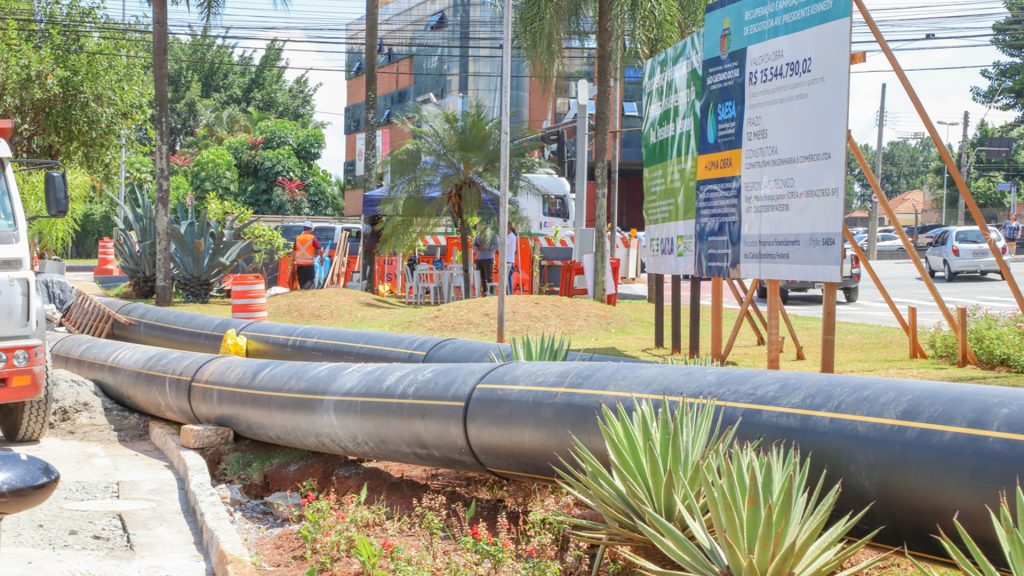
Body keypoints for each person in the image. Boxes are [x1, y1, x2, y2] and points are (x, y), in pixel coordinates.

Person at [293, 222, 324, 290]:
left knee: (301, 279)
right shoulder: (312, 238)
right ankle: (308, 294)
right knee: (310, 279)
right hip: (308, 264)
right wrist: (322, 259)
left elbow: (294, 251)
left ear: (303, 229)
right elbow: (319, 249)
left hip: (299, 264)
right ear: (311, 229)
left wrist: (294, 261)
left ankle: (302, 292)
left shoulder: (297, 238)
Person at [473, 224, 497, 297]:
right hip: (479, 259)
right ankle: (485, 293)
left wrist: (487, 247)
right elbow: (473, 245)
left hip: (488, 259)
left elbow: (497, 246)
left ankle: (491, 293)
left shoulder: (493, 235)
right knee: (481, 278)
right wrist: (477, 248)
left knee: (489, 277)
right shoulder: (478, 234)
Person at [505, 223, 517, 294]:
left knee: (508, 277)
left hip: (509, 260)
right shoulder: (508, 236)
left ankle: (509, 293)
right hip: (507, 260)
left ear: (509, 228)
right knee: (506, 277)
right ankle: (507, 293)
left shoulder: (512, 236)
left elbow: (505, 243)